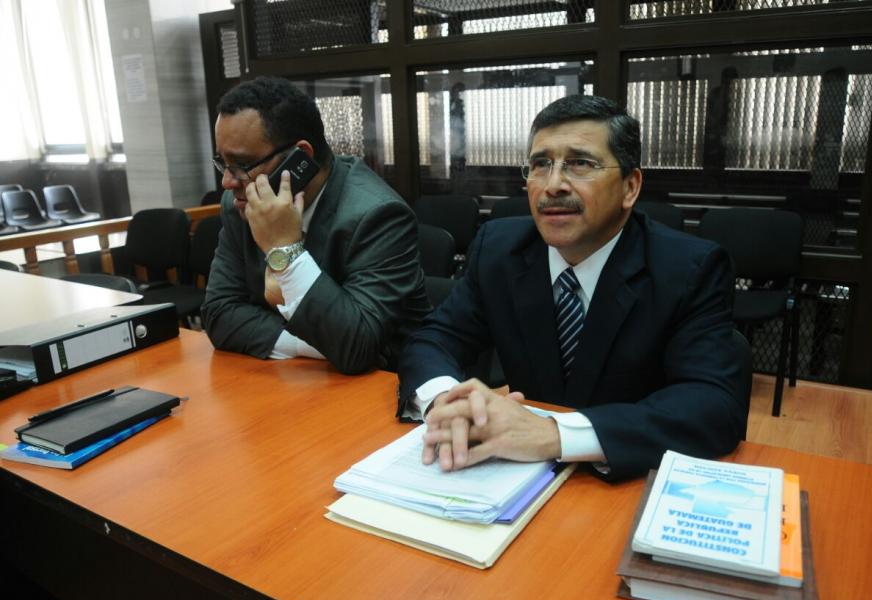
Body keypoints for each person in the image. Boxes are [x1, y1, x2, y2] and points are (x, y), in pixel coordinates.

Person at [396, 94, 748, 481]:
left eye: (580, 163)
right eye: (540, 164)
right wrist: (448, 403)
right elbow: (433, 339)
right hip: (511, 476)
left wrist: (553, 434)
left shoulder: (689, 268)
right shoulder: (499, 249)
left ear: (630, 187)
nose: (553, 185)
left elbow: (712, 405)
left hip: (619, 481)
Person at [203, 76, 430, 374]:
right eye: (222, 162)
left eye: (242, 165)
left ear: (301, 158)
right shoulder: (240, 205)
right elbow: (219, 314)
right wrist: (315, 346)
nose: (227, 181)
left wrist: (286, 254)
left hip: (384, 390)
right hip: (292, 382)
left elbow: (356, 347)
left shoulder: (378, 215)